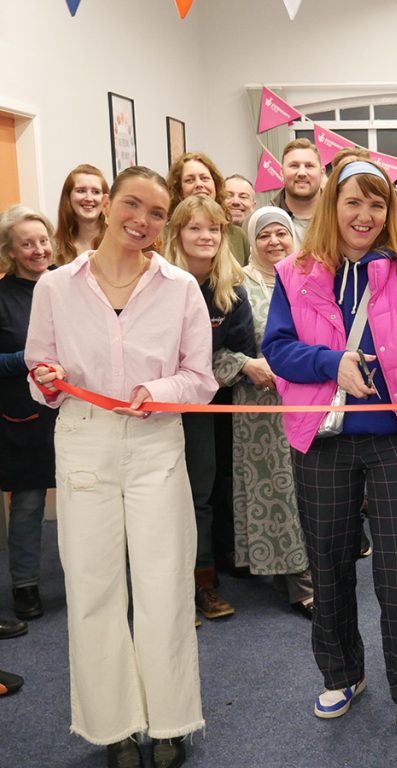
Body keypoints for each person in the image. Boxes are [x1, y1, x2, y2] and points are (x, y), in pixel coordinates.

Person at [25, 165, 217, 768]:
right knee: (92, 586)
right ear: (106, 206)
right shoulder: (55, 286)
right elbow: (40, 372)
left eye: (157, 213)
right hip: (84, 442)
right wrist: (47, 381)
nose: (143, 220)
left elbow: (201, 380)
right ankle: (111, 726)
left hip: (157, 441)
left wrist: (159, 388)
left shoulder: (181, 286)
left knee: (163, 583)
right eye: (133, 205)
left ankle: (169, 722)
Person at [263, 156, 397, 748]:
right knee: (329, 565)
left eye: (377, 204)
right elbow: (277, 349)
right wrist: (330, 364)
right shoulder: (294, 273)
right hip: (321, 442)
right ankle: (342, 674)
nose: (366, 215)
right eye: (354, 202)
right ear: (332, 206)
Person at [212, 206, 313, 617]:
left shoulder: (310, 280)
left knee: (311, 492)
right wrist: (244, 365)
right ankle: (300, 583)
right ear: (251, 242)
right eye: (264, 235)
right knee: (278, 495)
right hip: (261, 410)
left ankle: (313, 571)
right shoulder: (234, 286)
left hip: (309, 403)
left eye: (281, 233)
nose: (274, 242)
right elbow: (212, 351)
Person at [166, 194, 255, 622]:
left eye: (214, 229)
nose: (205, 236)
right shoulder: (155, 280)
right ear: (177, 234)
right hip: (153, 407)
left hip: (203, 408)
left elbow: (240, 352)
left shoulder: (230, 290)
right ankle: (165, 589)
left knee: (199, 495)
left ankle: (203, 584)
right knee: (157, 497)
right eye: (194, 228)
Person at [0, 206, 57, 622]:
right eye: (27, 244)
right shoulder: (2, 298)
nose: (38, 250)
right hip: (23, 418)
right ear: (10, 252)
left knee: (82, 501)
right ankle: (25, 585)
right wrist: (27, 359)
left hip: (74, 413)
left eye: (43, 240)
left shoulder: (69, 286)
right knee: (27, 504)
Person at [166, 151, 250, 265]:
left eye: (204, 178)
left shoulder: (238, 236)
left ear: (215, 185)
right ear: (178, 190)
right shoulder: (164, 235)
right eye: (190, 180)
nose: (199, 184)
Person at [52, 164, 108, 266]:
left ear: (105, 200)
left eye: (96, 192)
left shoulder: (119, 243)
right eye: (81, 191)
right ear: (68, 197)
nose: (89, 198)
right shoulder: (53, 248)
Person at [272, 138, 325, 245]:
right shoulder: (262, 219)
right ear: (281, 173)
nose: (302, 173)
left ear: (322, 172)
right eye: (294, 166)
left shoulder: (340, 215)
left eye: (309, 166)